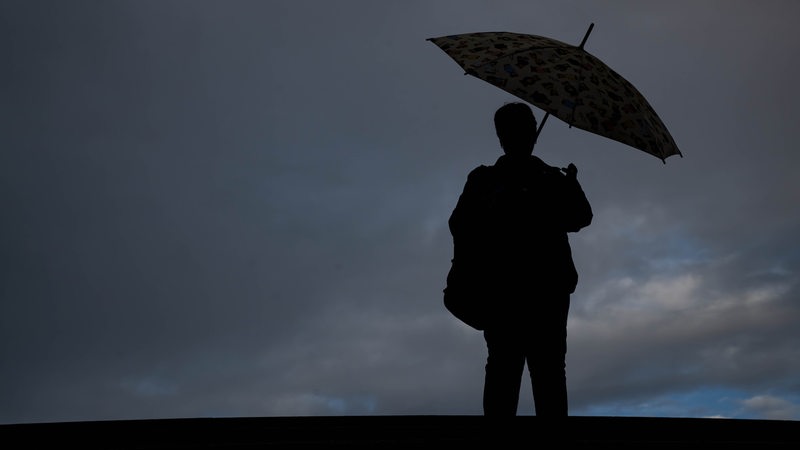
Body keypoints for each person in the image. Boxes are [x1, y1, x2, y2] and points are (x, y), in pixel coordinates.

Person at [447, 102, 593, 417]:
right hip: (503, 290)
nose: (518, 136)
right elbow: (460, 224)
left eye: (522, 129)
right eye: (511, 130)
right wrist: (496, 207)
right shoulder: (485, 180)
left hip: (546, 290)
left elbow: (580, 217)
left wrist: (572, 186)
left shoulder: (551, 178)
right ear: (502, 136)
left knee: (546, 368)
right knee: (507, 365)